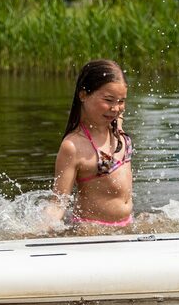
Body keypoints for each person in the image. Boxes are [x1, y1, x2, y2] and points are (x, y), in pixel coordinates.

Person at [45, 59, 135, 230]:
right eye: (109, 100)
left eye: (121, 101)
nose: (116, 108)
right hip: (92, 232)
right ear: (83, 95)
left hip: (126, 227)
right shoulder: (73, 146)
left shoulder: (115, 125)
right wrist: (39, 232)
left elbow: (117, 111)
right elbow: (58, 202)